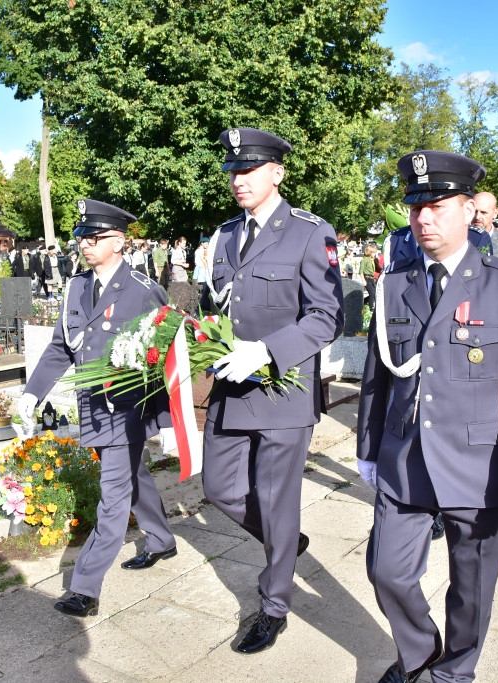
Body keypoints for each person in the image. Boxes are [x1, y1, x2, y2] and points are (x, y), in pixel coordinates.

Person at [356, 150, 498, 683]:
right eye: (416, 206)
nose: (423, 218)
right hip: (405, 462)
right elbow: (380, 372)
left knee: (472, 591)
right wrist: (368, 448)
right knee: (387, 573)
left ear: (469, 210)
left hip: (480, 467)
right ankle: (419, 656)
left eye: (438, 205)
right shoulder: (394, 282)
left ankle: (452, 674)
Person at [199, 127, 344, 654]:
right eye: (233, 171)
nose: (238, 180)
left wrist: (266, 351)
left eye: (249, 170)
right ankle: (285, 543)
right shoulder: (224, 234)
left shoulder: (309, 232)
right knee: (218, 488)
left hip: (284, 392)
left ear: (277, 172)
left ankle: (273, 604)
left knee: (278, 502)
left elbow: (328, 316)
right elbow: (219, 306)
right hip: (232, 389)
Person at [17, 199, 177, 618]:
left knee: (112, 495)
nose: (86, 244)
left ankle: (85, 588)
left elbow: (167, 353)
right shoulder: (75, 287)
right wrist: (33, 393)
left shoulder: (143, 291)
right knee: (131, 476)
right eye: (82, 238)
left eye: (96, 237)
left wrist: (167, 418)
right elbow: (60, 348)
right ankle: (161, 539)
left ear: (120, 242)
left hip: (126, 410)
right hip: (92, 408)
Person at [359, 243, 378, 308]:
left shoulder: (371, 260)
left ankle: (363, 303)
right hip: (367, 278)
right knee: (372, 293)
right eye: (374, 253)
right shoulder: (364, 260)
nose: (375, 254)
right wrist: (363, 280)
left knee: (374, 293)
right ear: (370, 252)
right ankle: (370, 307)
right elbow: (361, 271)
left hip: (371, 278)